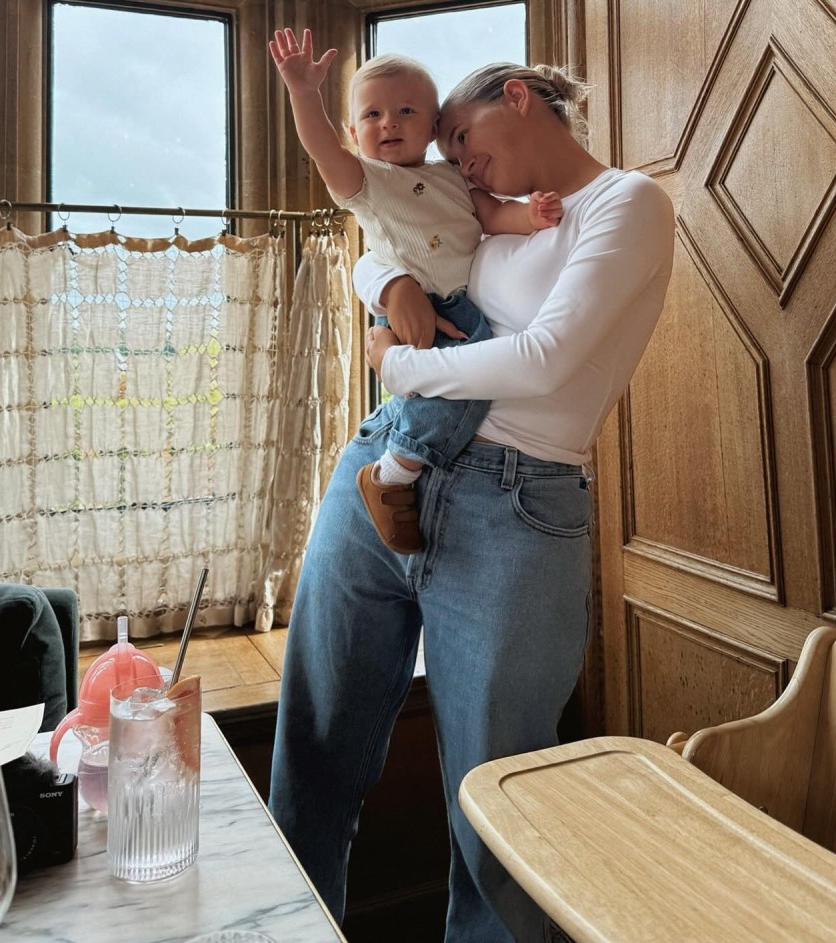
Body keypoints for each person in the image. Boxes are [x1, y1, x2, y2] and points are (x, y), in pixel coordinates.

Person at [269, 55, 675, 943]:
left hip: (516, 512)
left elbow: (547, 360)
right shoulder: (479, 202)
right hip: (385, 467)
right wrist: (383, 284)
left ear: (519, 101)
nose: (458, 159)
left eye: (462, 137)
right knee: (312, 759)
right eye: (447, 147)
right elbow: (387, 236)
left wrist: (401, 362)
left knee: (501, 812)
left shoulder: (626, 206)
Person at [269, 29, 562, 553]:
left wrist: (530, 216)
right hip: (421, 306)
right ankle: (394, 472)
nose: (388, 123)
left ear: (432, 127)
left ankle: (402, 468)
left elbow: (492, 215)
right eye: (372, 115)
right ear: (353, 131)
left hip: (462, 307)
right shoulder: (367, 181)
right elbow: (320, 148)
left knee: (463, 388)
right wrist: (302, 93)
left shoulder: (453, 177)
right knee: (454, 393)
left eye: (406, 111)